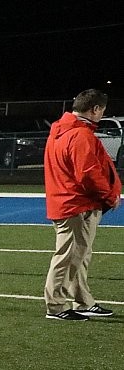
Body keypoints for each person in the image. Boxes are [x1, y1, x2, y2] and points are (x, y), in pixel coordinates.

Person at [43, 89, 119, 321]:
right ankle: (55, 306)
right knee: (68, 256)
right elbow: (88, 174)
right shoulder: (79, 135)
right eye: (102, 111)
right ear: (95, 109)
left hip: (69, 202)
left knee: (78, 255)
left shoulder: (60, 130)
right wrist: (109, 196)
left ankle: (83, 300)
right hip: (77, 204)